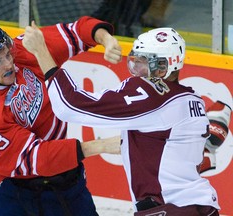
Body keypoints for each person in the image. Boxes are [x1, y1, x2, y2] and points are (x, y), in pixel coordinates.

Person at [22, 26, 220, 215]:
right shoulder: (193, 100)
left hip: (171, 209)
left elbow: (69, 106)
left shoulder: (153, 94)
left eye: (143, 63)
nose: (136, 69)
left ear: (161, 68)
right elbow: (166, 148)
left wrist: (41, 51)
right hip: (203, 206)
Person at [0, 17, 121, 216]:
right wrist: (102, 146)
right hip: (17, 198)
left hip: (67, 186)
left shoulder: (22, 52)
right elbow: (39, 157)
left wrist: (106, 39)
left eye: (7, 53)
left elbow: (76, 32)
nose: (9, 63)